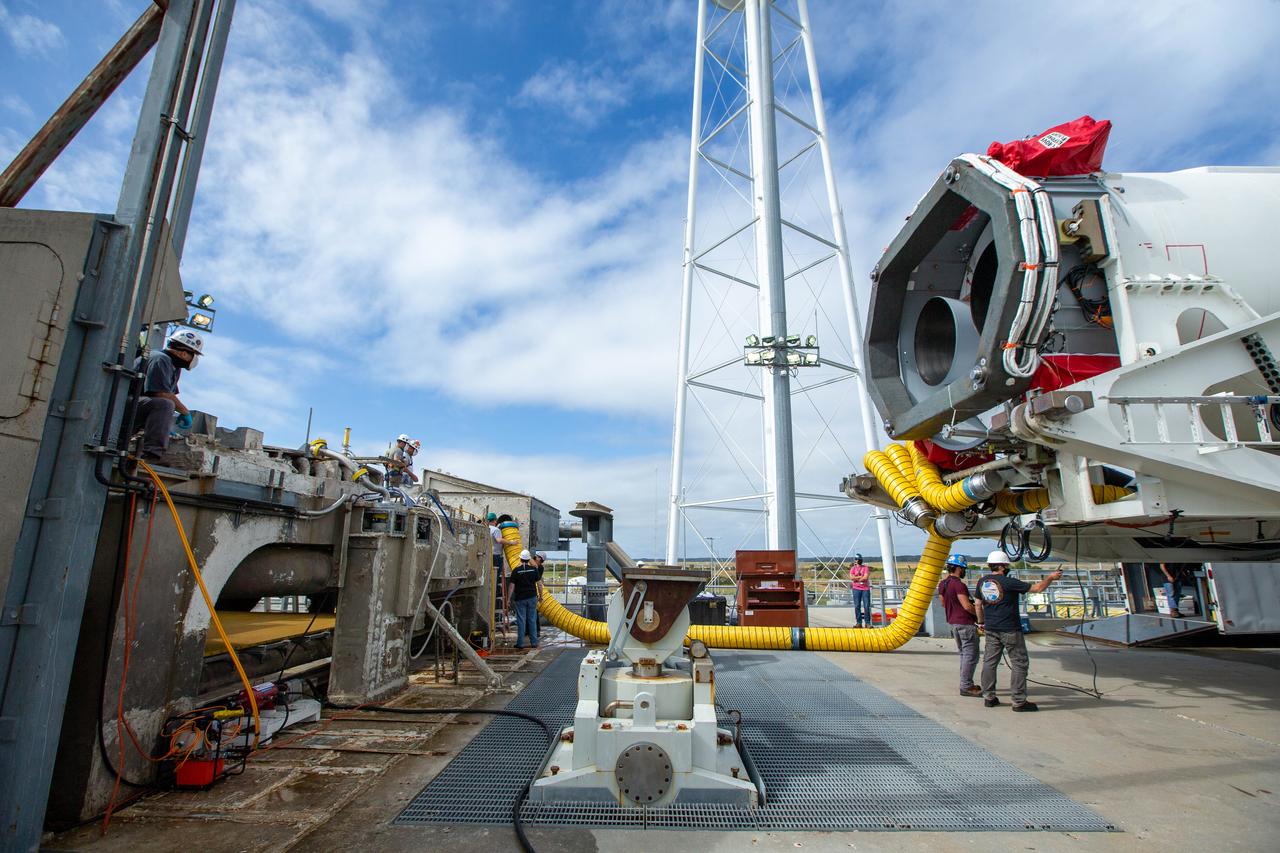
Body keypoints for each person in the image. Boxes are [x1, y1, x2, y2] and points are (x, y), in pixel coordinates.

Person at [976, 550, 1063, 712]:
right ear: (1002, 566)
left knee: (989, 662)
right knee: (1019, 663)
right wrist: (1050, 578)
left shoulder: (982, 582)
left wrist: (981, 622)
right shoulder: (1009, 582)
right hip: (1010, 629)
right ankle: (1018, 701)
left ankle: (988, 696)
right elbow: (1037, 589)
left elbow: (977, 604)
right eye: (1006, 565)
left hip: (991, 628)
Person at [134, 329, 202, 461]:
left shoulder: (173, 366)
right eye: (194, 354)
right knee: (165, 404)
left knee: (167, 405)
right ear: (183, 353)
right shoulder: (160, 359)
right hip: (125, 404)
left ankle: (153, 441)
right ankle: (152, 452)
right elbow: (162, 393)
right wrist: (184, 411)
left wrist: (163, 428)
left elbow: (170, 394)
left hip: (138, 407)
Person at [938, 554, 982, 697]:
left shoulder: (943, 584)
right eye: (963, 568)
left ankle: (966, 682)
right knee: (971, 655)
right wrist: (979, 617)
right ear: (958, 568)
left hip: (954, 624)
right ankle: (966, 685)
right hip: (965, 623)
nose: (964, 571)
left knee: (964, 654)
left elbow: (943, 603)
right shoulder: (959, 585)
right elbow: (967, 606)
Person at [506, 549, 543, 649]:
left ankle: (520, 643)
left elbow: (511, 586)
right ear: (528, 559)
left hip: (520, 598)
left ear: (520, 559)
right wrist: (541, 596)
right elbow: (539, 584)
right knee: (532, 620)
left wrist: (508, 599)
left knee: (521, 620)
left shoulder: (516, 571)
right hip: (532, 597)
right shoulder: (534, 570)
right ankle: (534, 643)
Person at [849, 554, 872, 628]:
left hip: (865, 589)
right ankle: (859, 622)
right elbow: (851, 578)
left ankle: (867, 623)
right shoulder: (853, 568)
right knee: (857, 606)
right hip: (856, 589)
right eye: (857, 559)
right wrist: (859, 577)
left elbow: (865, 577)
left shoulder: (865, 568)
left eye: (859, 559)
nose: (858, 561)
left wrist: (856, 578)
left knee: (866, 606)